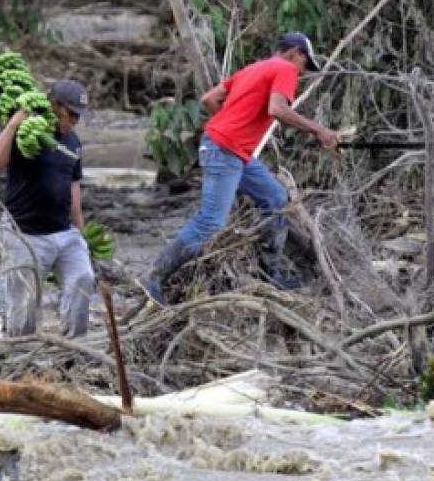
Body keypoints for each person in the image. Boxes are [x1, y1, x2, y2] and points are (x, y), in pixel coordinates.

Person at [141, 32, 339, 303]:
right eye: (305, 64)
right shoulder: (285, 68)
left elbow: (210, 99)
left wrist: (231, 124)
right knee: (211, 221)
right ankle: (154, 277)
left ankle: (269, 272)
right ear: (295, 53)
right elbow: (277, 109)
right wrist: (318, 130)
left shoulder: (254, 68)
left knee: (276, 199)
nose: (302, 73)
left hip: (233, 150)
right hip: (225, 151)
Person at [0, 78, 95, 337]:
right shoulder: (27, 134)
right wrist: (14, 122)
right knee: (24, 305)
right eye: (70, 115)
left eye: (79, 117)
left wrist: (81, 234)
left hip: (64, 232)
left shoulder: (73, 143)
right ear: (54, 106)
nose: (74, 122)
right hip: (25, 233)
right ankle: (19, 357)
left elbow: (74, 190)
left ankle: (73, 349)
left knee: (84, 279)